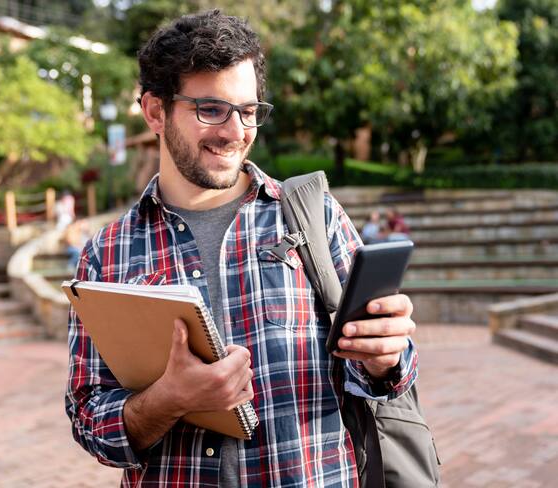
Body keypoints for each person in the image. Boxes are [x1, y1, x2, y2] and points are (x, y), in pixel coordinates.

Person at [66, 10, 417, 487]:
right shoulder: (106, 254)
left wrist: (385, 358)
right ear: (154, 111)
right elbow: (88, 419)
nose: (236, 133)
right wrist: (170, 398)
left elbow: (392, 376)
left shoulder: (315, 218)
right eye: (211, 109)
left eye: (248, 111)